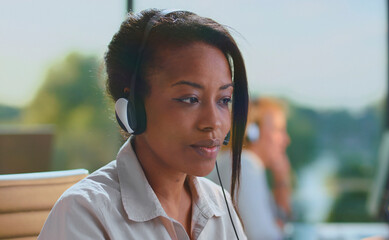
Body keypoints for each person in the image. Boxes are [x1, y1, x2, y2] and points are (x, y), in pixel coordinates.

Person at [38, 9, 249, 239]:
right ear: (134, 107)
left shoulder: (221, 206)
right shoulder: (85, 214)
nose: (213, 122)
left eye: (224, 100)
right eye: (190, 99)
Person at [208, 97, 292, 240]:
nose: (286, 140)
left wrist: (281, 180)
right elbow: (265, 236)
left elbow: (282, 222)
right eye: (279, 130)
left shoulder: (245, 164)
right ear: (253, 133)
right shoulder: (244, 165)